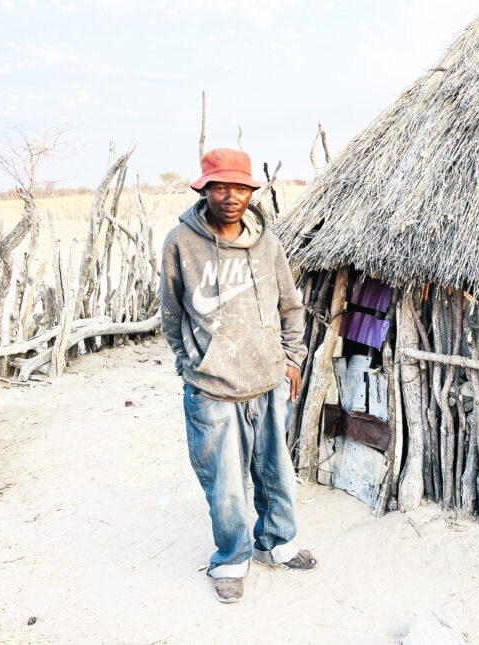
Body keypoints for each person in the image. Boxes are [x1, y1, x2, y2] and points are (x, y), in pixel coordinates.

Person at [159, 148, 315, 604]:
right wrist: (192, 365)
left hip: (267, 380)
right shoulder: (181, 243)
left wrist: (292, 359)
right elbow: (171, 314)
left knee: (276, 472)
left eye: (241, 188)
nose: (231, 197)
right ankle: (231, 559)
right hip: (212, 387)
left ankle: (276, 545)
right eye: (221, 187)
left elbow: (290, 305)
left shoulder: (267, 243)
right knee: (225, 483)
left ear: (252, 191)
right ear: (204, 189)